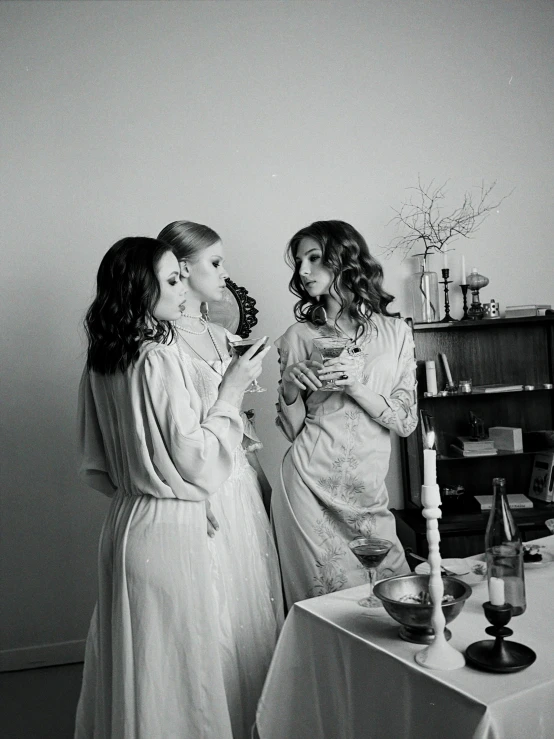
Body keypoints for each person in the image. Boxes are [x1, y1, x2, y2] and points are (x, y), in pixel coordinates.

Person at [75, 235, 281, 739]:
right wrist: (232, 389)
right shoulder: (157, 357)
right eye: (170, 281)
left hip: (125, 523)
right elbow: (195, 458)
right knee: (184, 673)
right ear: (139, 290)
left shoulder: (101, 361)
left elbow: (96, 465)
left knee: (142, 666)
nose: (182, 290)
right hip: (170, 531)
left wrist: (170, 493)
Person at [156, 220, 284, 735]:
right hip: (198, 488)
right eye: (216, 263)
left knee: (250, 604)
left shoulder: (219, 334)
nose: (225, 273)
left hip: (238, 486)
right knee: (210, 612)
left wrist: (256, 471)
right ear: (182, 269)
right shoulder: (159, 342)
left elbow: (237, 423)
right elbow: (172, 433)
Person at [273, 220, 417, 608]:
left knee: (397, 600)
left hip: (368, 492)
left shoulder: (396, 334)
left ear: (346, 259)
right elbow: (294, 430)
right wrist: (289, 388)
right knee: (328, 609)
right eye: (299, 261)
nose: (303, 272)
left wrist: (356, 386)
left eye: (314, 258)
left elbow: (405, 421)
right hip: (307, 485)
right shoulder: (297, 336)